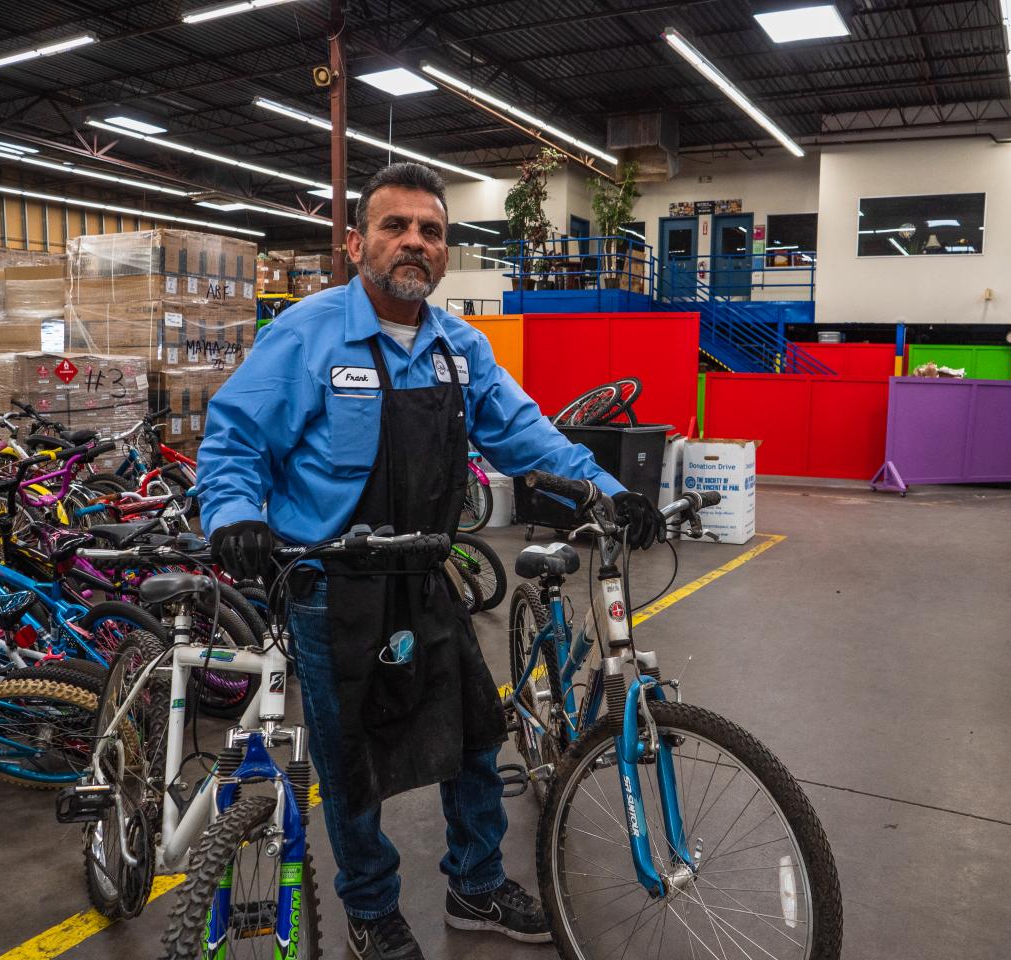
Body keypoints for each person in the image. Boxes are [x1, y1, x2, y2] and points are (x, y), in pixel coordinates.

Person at [197, 161, 666, 960]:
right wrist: (237, 515)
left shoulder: (460, 348)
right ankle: (372, 907)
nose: (414, 241)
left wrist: (606, 489)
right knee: (350, 763)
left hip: (427, 576)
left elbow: (528, 437)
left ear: (446, 252)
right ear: (356, 244)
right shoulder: (307, 335)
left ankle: (475, 882)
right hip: (329, 586)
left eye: (432, 231)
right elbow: (236, 437)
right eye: (395, 226)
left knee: (474, 738)